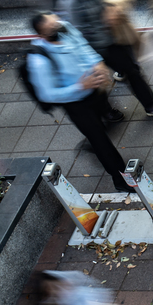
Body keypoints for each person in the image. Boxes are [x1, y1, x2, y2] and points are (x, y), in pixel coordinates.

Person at [28, 12, 136, 193]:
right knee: (101, 141)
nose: (57, 28)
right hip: (76, 103)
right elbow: (47, 94)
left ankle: (91, 142)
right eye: (51, 29)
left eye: (55, 24)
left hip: (95, 89)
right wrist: (80, 86)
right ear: (41, 35)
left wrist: (98, 64)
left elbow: (83, 47)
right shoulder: (39, 60)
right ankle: (121, 179)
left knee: (103, 126)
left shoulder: (64, 27)